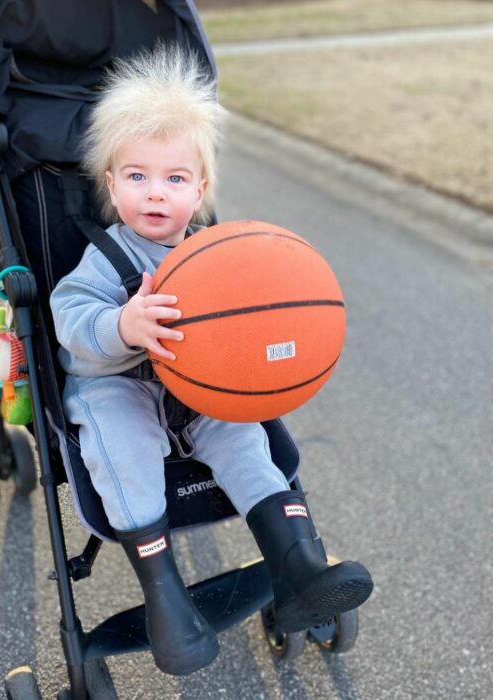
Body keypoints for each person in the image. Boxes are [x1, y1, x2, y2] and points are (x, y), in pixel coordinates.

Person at [50, 45, 373, 676]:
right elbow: (70, 317)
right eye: (136, 176)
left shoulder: (217, 252)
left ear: (200, 190)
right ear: (111, 185)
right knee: (124, 447)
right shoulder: (104, 258)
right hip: (116, 384)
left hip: (198, 390)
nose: (155, 193)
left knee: (243, 439)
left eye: (174, 179)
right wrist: (123, 323)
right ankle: (165, 597)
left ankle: (297, 560)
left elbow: (259, 310)